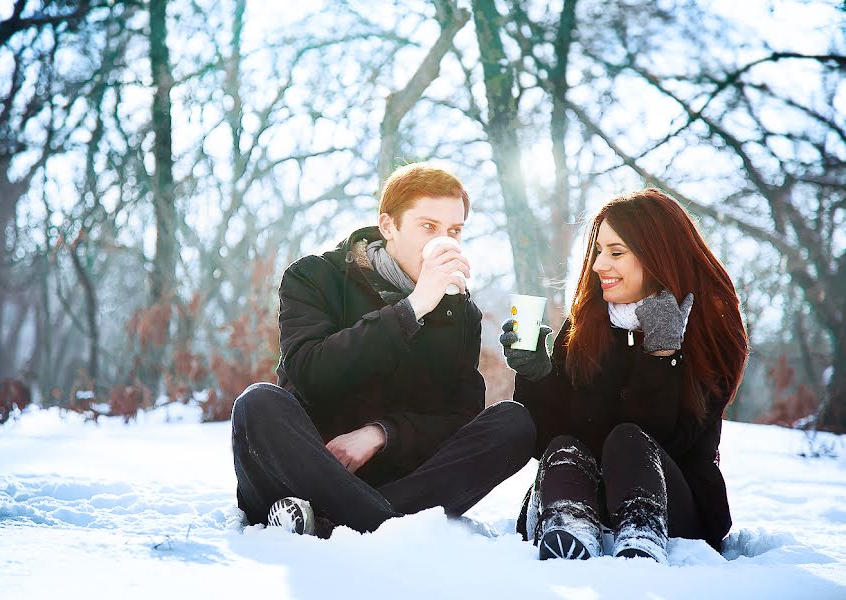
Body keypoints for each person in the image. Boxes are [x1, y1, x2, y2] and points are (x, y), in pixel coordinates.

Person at [231, 162, 536, 537]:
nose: (446, 241)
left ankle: (334, 519)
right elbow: (309, 373)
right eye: (428, 227)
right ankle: (381, 524)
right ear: (388, 225)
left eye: (454, 231)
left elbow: (459, 418)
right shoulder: (314, 276)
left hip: (398, 482)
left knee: (514, 423)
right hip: (310, 466)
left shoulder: (460, 311)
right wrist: (411, 310)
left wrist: (381, 434)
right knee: (257, 403)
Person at [500, 188, 748, 563]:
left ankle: (641, 535)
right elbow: (547, 443)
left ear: (658, 256)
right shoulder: (586, 325)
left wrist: (662, 354)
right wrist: (537, 374)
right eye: (599, 251)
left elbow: (672, 439)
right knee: (566, 445)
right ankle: (568, 526)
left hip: (675, 502)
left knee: (628, 440)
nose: (599, 264)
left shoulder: (707, 330)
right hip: (583, 494)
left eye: (616, 252)